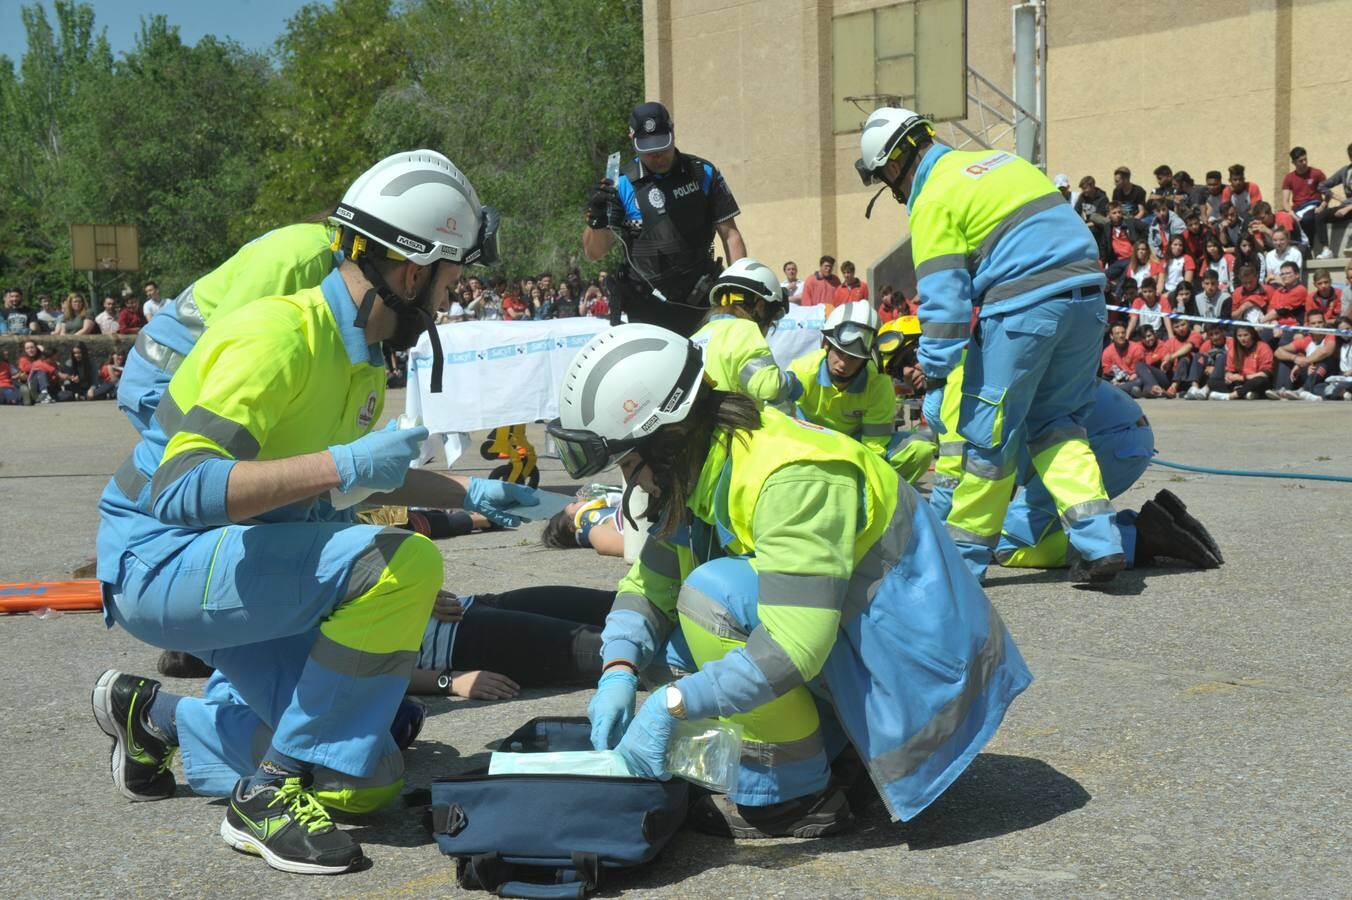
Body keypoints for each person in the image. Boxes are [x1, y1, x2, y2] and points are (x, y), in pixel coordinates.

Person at [91, 151, 539, 875]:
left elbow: (343, 485)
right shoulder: (277, 337)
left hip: (230, 557)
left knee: (365, 782)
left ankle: (157, 721)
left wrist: (471, 493)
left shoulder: (358, 356)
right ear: (412, 272)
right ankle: (263, 798)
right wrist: (344, 467)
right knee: (401, 562)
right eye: (452, 283)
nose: (451, 302)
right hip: (159, 560)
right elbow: (180, 488)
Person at [547, 323, 1031, 838]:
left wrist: (673, 705)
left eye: (629, 464)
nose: (629, 482)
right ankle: (829, 751)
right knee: (668, 651)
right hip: (860, 652)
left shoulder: (791, 477)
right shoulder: (702, 464)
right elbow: (650, 583)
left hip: (925, 683)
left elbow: (791, 648)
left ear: (666, 436)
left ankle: (797, 796)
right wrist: (618, 668)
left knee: (711, 600)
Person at [856, 106, 1123, 583]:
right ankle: (1099, 540)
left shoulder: (933, 196)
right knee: (1059, 424)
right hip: (1087, 298)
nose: (895, 193)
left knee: (988, 438)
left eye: (887, 180)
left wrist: (935, 371)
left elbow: (945, 300)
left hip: (1023, 309)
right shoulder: (1002, 162)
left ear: (894, 165)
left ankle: (962, 562)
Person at [995, 383, 1221, 572]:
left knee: (1005, 547)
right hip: (1131, 438)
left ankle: (1143, 538)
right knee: (1062, 522)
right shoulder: (1017, 376)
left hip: (1102, 446)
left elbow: (990, 488)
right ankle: (1152, 520)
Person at [583, 101, 746, 336]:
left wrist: (740, 291)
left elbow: (730, 235)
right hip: (647, 309)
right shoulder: (620, 184)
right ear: (632, 139)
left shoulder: (702, 172)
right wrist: (596, 222)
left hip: (703, 302)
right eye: (648, 150)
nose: (657, 156)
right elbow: (594, 253)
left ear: (673, 132)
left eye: (663, 146)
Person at [790, 301, 932, 482]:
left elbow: (874, 447)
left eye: (853, 358)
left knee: (920, 449)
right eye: (840, 353)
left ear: (867, 360)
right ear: (826, 345)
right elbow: (788, 432)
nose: (843, 364)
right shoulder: (801, 371)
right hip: (811, 445)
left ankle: (887, 501)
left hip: (857, 446)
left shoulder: (879, 382)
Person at [690, 257, 800, 407]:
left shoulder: (696, 337)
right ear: (761, 307)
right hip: (734, 426)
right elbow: (770, 388)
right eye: (771, 320)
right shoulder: (746, 331)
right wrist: (790, 382)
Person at [1270, 309, 1337, 400]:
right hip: (1312, 374)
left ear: (1325, 324)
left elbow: (1326, 351)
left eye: (1320, 322)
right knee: (1285, 360)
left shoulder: (1330, 335)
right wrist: (1295, 358)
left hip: (1328, 372)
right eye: (1313, 323)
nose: (1317, 325)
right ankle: (1282, 390)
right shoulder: (1307, 340)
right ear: (1308, 325)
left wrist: (1304, 362)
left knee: (1324, 361)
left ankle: (1304, 390)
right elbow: (1278, 351)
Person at [1312, 143, 1352, 259]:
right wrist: (1336, 196)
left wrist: (1347, 208)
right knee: (1320, 216)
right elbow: (1321, 186)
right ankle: (1326, 250)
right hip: (1347, 206)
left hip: (1348, 208)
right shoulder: (1345, 171)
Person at [1282, 147, 1325, 246]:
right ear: (1294, 163)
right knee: (1283, 218)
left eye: (1305, 159)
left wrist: (1322, 206)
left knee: (1307, 219)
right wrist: (1291, 213)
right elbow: (1285, 202)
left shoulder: (1317, 173)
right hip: (1298, 209)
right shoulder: (1289, 178)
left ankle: (1308, 246)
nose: (1304, 162)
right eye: (1301, 161)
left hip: (1314, 205)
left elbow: (1328, 193)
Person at [1218, 324, 1274, 399]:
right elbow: (1229, 370)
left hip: (1255, 379)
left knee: (1260, 381)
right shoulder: (1234, 349)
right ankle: (1247, 393)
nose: (1242, 338)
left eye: (1245, 335)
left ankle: (1232, 395)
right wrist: (1229, 376)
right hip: (1239, 381)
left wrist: (1243, 377)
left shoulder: (1263, 347)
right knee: (1214, 381)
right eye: (1239, 336)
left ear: (1252, 335)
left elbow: (1266, 373)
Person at [1101, 322, 1144, 396]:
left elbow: (1137, 370)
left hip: (1132, 378)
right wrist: (1115, 381)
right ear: (1111, 336)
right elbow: (1107, 372)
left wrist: (1126, 380)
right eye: (1117, 333)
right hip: (1115, 379)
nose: (1121, 335)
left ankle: (1119, 390)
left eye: (1123, 333)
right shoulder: (1107, 352)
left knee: (1140, 381)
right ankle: (1127, 390)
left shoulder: (1136, 348)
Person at [15, 339, 57, 403]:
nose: (30, 350)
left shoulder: (41, 358)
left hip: (48, 384)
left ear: (36, 348)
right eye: (27, 348)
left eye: (32, 347)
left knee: (67, 395)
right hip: (32, 385)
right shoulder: (23, 360)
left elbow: (52, 367)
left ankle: (43, 397)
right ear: (25, 350)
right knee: (40, 371)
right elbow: (31, 368)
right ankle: (44, 393)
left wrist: (43, 351)